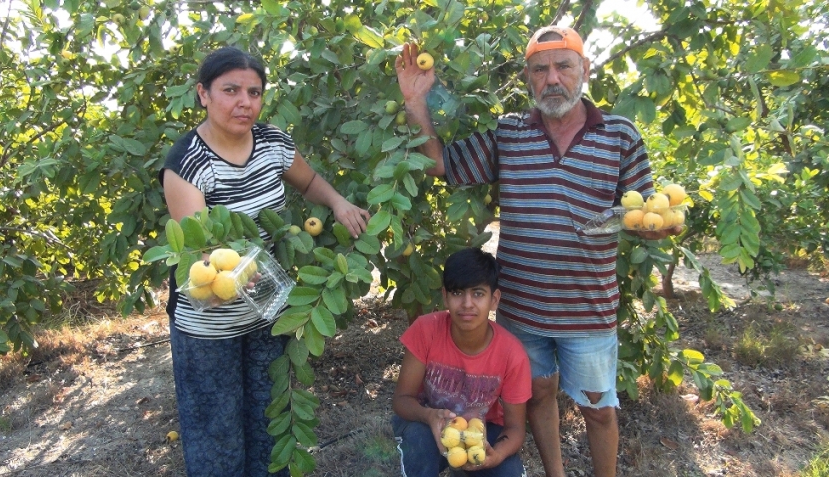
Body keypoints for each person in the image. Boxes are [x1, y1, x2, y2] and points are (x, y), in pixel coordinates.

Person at [395, 26, 681, 477]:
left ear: (584, 70)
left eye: (564, 66)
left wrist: (656, 229)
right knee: (540, 396)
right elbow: (440, 165)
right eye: (540, 69)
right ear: (528, 79)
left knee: (600, 410)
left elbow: (643, 211)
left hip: (588, 309)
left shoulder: (620, 134)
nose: (553, 79)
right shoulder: (509, 133)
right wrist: (415, 101)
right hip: (523, 310)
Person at [159, 46, 370, 476]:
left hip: (267, 313)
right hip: (210, 326)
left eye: (254, 92)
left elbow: (309, 181)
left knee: (269, 426)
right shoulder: (186, 165)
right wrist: (242, 276)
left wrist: (338, 202)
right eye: (230, 90)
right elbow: (205, 254)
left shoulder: (272, 142)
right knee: (216, 439)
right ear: (203, 94)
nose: (245, 102)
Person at [392, 247, 532, 476]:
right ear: (445, 296)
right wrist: (429, 416)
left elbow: (515, 428)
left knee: (509, 471)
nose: (467, 304)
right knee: (418, 444)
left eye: (478, 294)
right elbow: (401, 401)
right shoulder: (426, 330)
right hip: (426, 424)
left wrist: (496, 455)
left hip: (484, 431)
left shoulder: (512, 354)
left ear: (494, 299)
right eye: (458, 293)